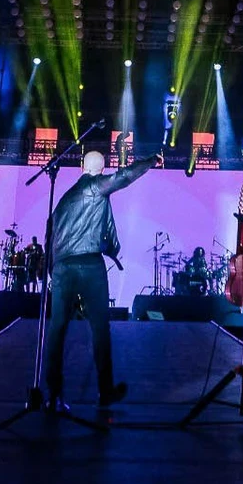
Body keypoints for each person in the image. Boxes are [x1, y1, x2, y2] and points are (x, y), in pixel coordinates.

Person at [46, 147, 161, 409]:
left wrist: (53, 270)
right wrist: (152, 160)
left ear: (81, 167)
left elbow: (50, 233)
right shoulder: (95, 187)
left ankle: (52, 393)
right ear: (101, 169)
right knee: (100, 328)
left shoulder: (65, 198)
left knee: (57, 329)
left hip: (62, 267)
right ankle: (105, 391)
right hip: (88, 264)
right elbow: (125, 176)